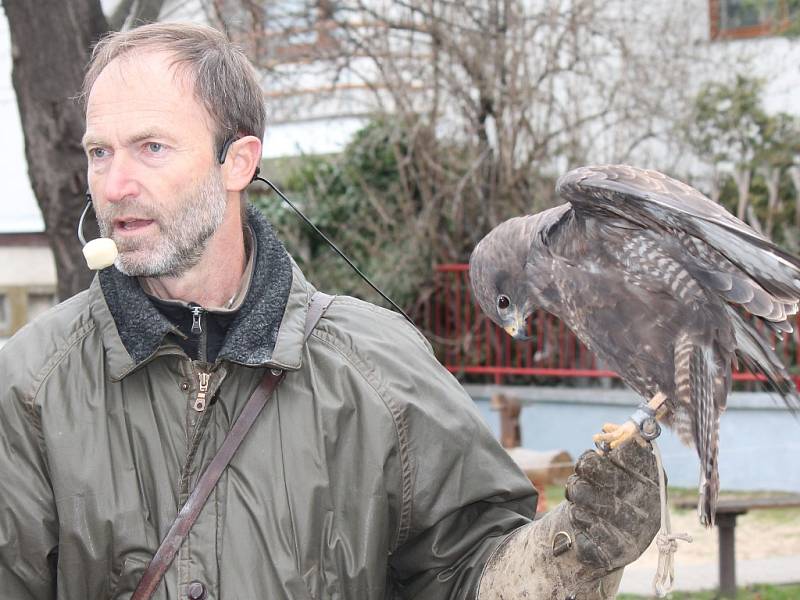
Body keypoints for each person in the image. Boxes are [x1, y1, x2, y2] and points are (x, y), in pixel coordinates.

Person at [0, 22, 660, 599]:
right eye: (98, 152)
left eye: (151, 147)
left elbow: (470, 571)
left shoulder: (378, 365)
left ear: (238, 161)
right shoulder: (30, 384)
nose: (114, 185)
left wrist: (578, 550)